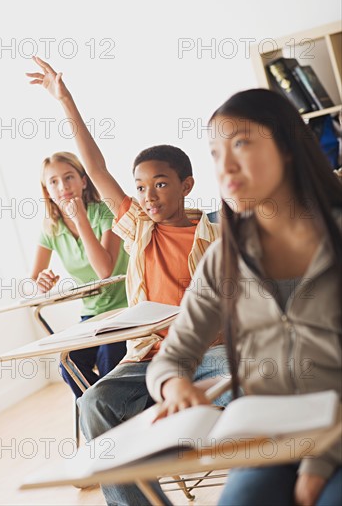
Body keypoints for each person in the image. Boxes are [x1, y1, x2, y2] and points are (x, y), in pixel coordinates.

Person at [26, 56, 230, 505]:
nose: (148, 195)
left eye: (160, 184)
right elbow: (96, 168)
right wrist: (66, 101)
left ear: (186, 185)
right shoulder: (138, 228)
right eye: (140, 187)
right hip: (150, 357)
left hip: (212, 354)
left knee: (257, 382)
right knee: (93, 403)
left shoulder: (215, 233)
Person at [147, 88, 342, 506]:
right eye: (215, 152)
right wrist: (174, 386)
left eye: (241, 143)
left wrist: (319, 465)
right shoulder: (225, 259)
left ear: (287, 146)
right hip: (268, 441)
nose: (226, 165)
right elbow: (172, 356)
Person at [30, 151, 129, 398]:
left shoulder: (104, 212)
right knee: (69, 363)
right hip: (93, 316)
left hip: (125, 308)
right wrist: (41, 282)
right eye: (53, 181)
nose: (63, 186)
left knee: (110, 362)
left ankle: (112, 416)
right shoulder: (51, 228)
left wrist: (81, 219)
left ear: (84, 181)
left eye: (69, 177)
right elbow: (32, 279)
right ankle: (105, 414)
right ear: (47, 189)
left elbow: (104, 270)